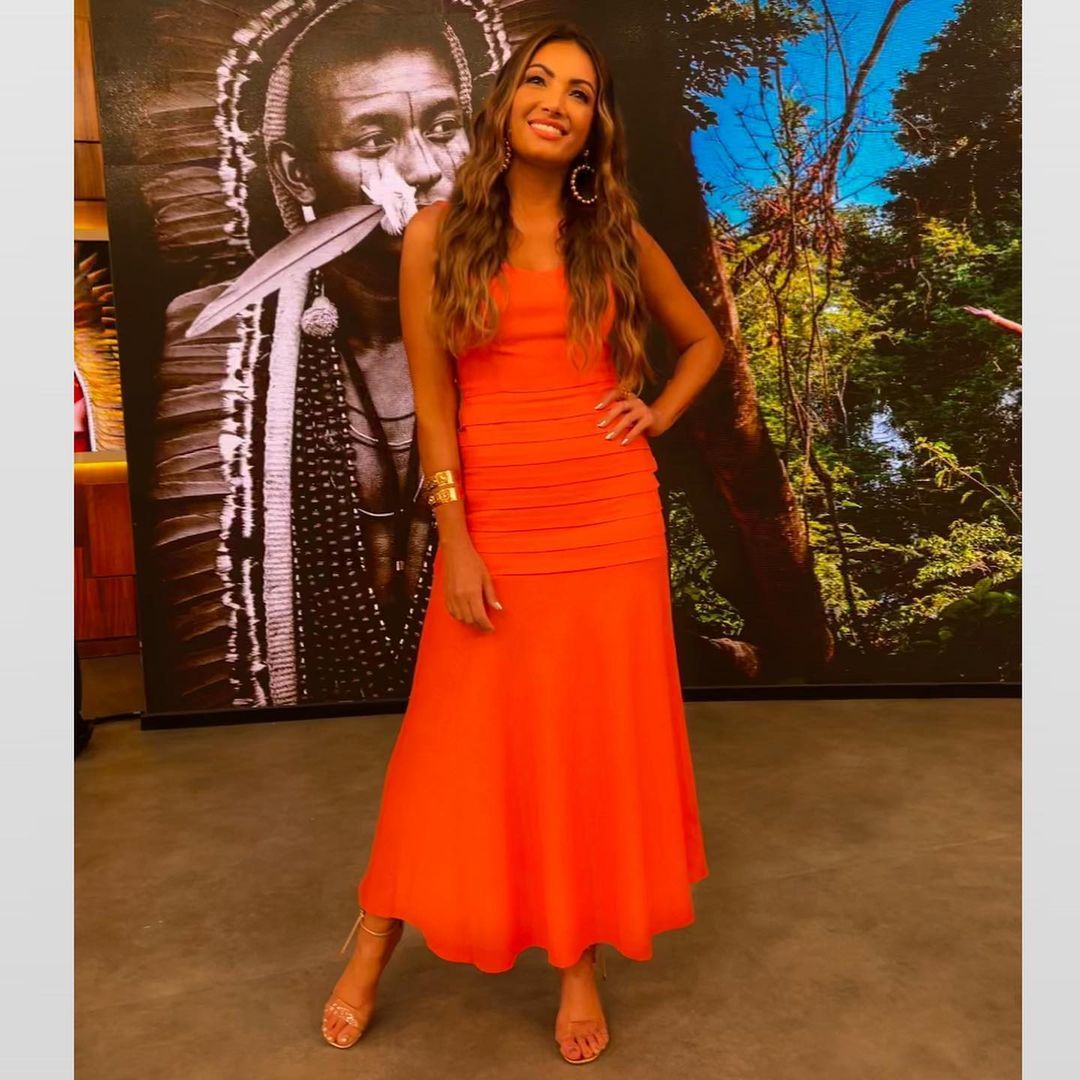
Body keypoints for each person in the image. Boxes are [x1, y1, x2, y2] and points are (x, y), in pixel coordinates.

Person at [321, 22, 721, 1065]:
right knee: (448, 746)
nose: (557, 100)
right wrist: (455, 535)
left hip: (611, 519)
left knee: (584, 745)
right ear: (504, 104)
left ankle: (576, 960)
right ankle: (374, 936)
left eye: (580, 92)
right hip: (499, 517)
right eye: (540, 80)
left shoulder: (613, 236)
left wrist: (657, 413)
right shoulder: (437, 235)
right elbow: (436, 402)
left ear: (595, 126)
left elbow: (703, 342)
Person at [149, 1, 511, 708]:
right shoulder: (224, 348)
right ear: (297, 173)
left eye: (445, 129)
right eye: (374, 141)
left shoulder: (522, 317)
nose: (424, 168)